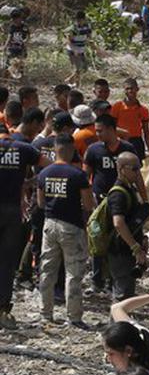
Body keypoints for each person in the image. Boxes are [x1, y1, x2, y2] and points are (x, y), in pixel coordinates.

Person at [36, 134, 94, 327]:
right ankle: (74, 317)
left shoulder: (44, 173)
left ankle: (45, 313)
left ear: (55, 149)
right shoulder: (78, 175)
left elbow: (40, 202)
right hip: (71, 226)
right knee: (73, 272)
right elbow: (88, 204)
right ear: (70, 149)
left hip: (49, 225)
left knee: (47, 270)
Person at [0, 124, 40, 329]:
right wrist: (28, 182)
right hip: (13, 211)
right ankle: (3, 310)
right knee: (7, 262)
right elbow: (50, 167)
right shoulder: (23, 148)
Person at [104, 152, 149, 300]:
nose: (138, 172)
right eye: (134, 169)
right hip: (120, 251)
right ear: (121, 168)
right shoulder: (118, 194)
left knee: (126, 292)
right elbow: (118, 223)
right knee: (122, 296)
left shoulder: (129, 189)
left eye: (139, 168)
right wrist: (135, 248)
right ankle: (118, 323)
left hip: (126, 249)